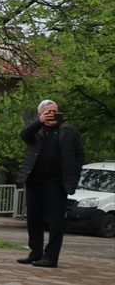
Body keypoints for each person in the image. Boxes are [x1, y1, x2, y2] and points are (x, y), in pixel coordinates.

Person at [14, 99, 84, 268]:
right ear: (40, 114)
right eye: (48, 112)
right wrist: (39, 122)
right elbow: (24, 135)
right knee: (34, 219)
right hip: (34, 181)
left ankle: (51, 257)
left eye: (54, 111)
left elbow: (79, 155)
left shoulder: (67, 131)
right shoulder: (36, 130)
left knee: (55, 221)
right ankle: (35, 253)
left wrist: (73, 174)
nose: (52, 114)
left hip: (56, 183)